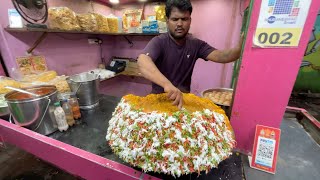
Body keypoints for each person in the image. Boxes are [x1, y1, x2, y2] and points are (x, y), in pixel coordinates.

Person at [137, 0, 243, 109]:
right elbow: (142, 61)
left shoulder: (196, 44)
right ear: (167, 20)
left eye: (184, 19)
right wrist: (167, 85)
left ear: (190, 20)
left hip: (183, 102)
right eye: (175, 19)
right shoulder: (159, 42)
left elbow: (222, 56)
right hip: (158, 101)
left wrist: (240, 47)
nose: (179, 24)